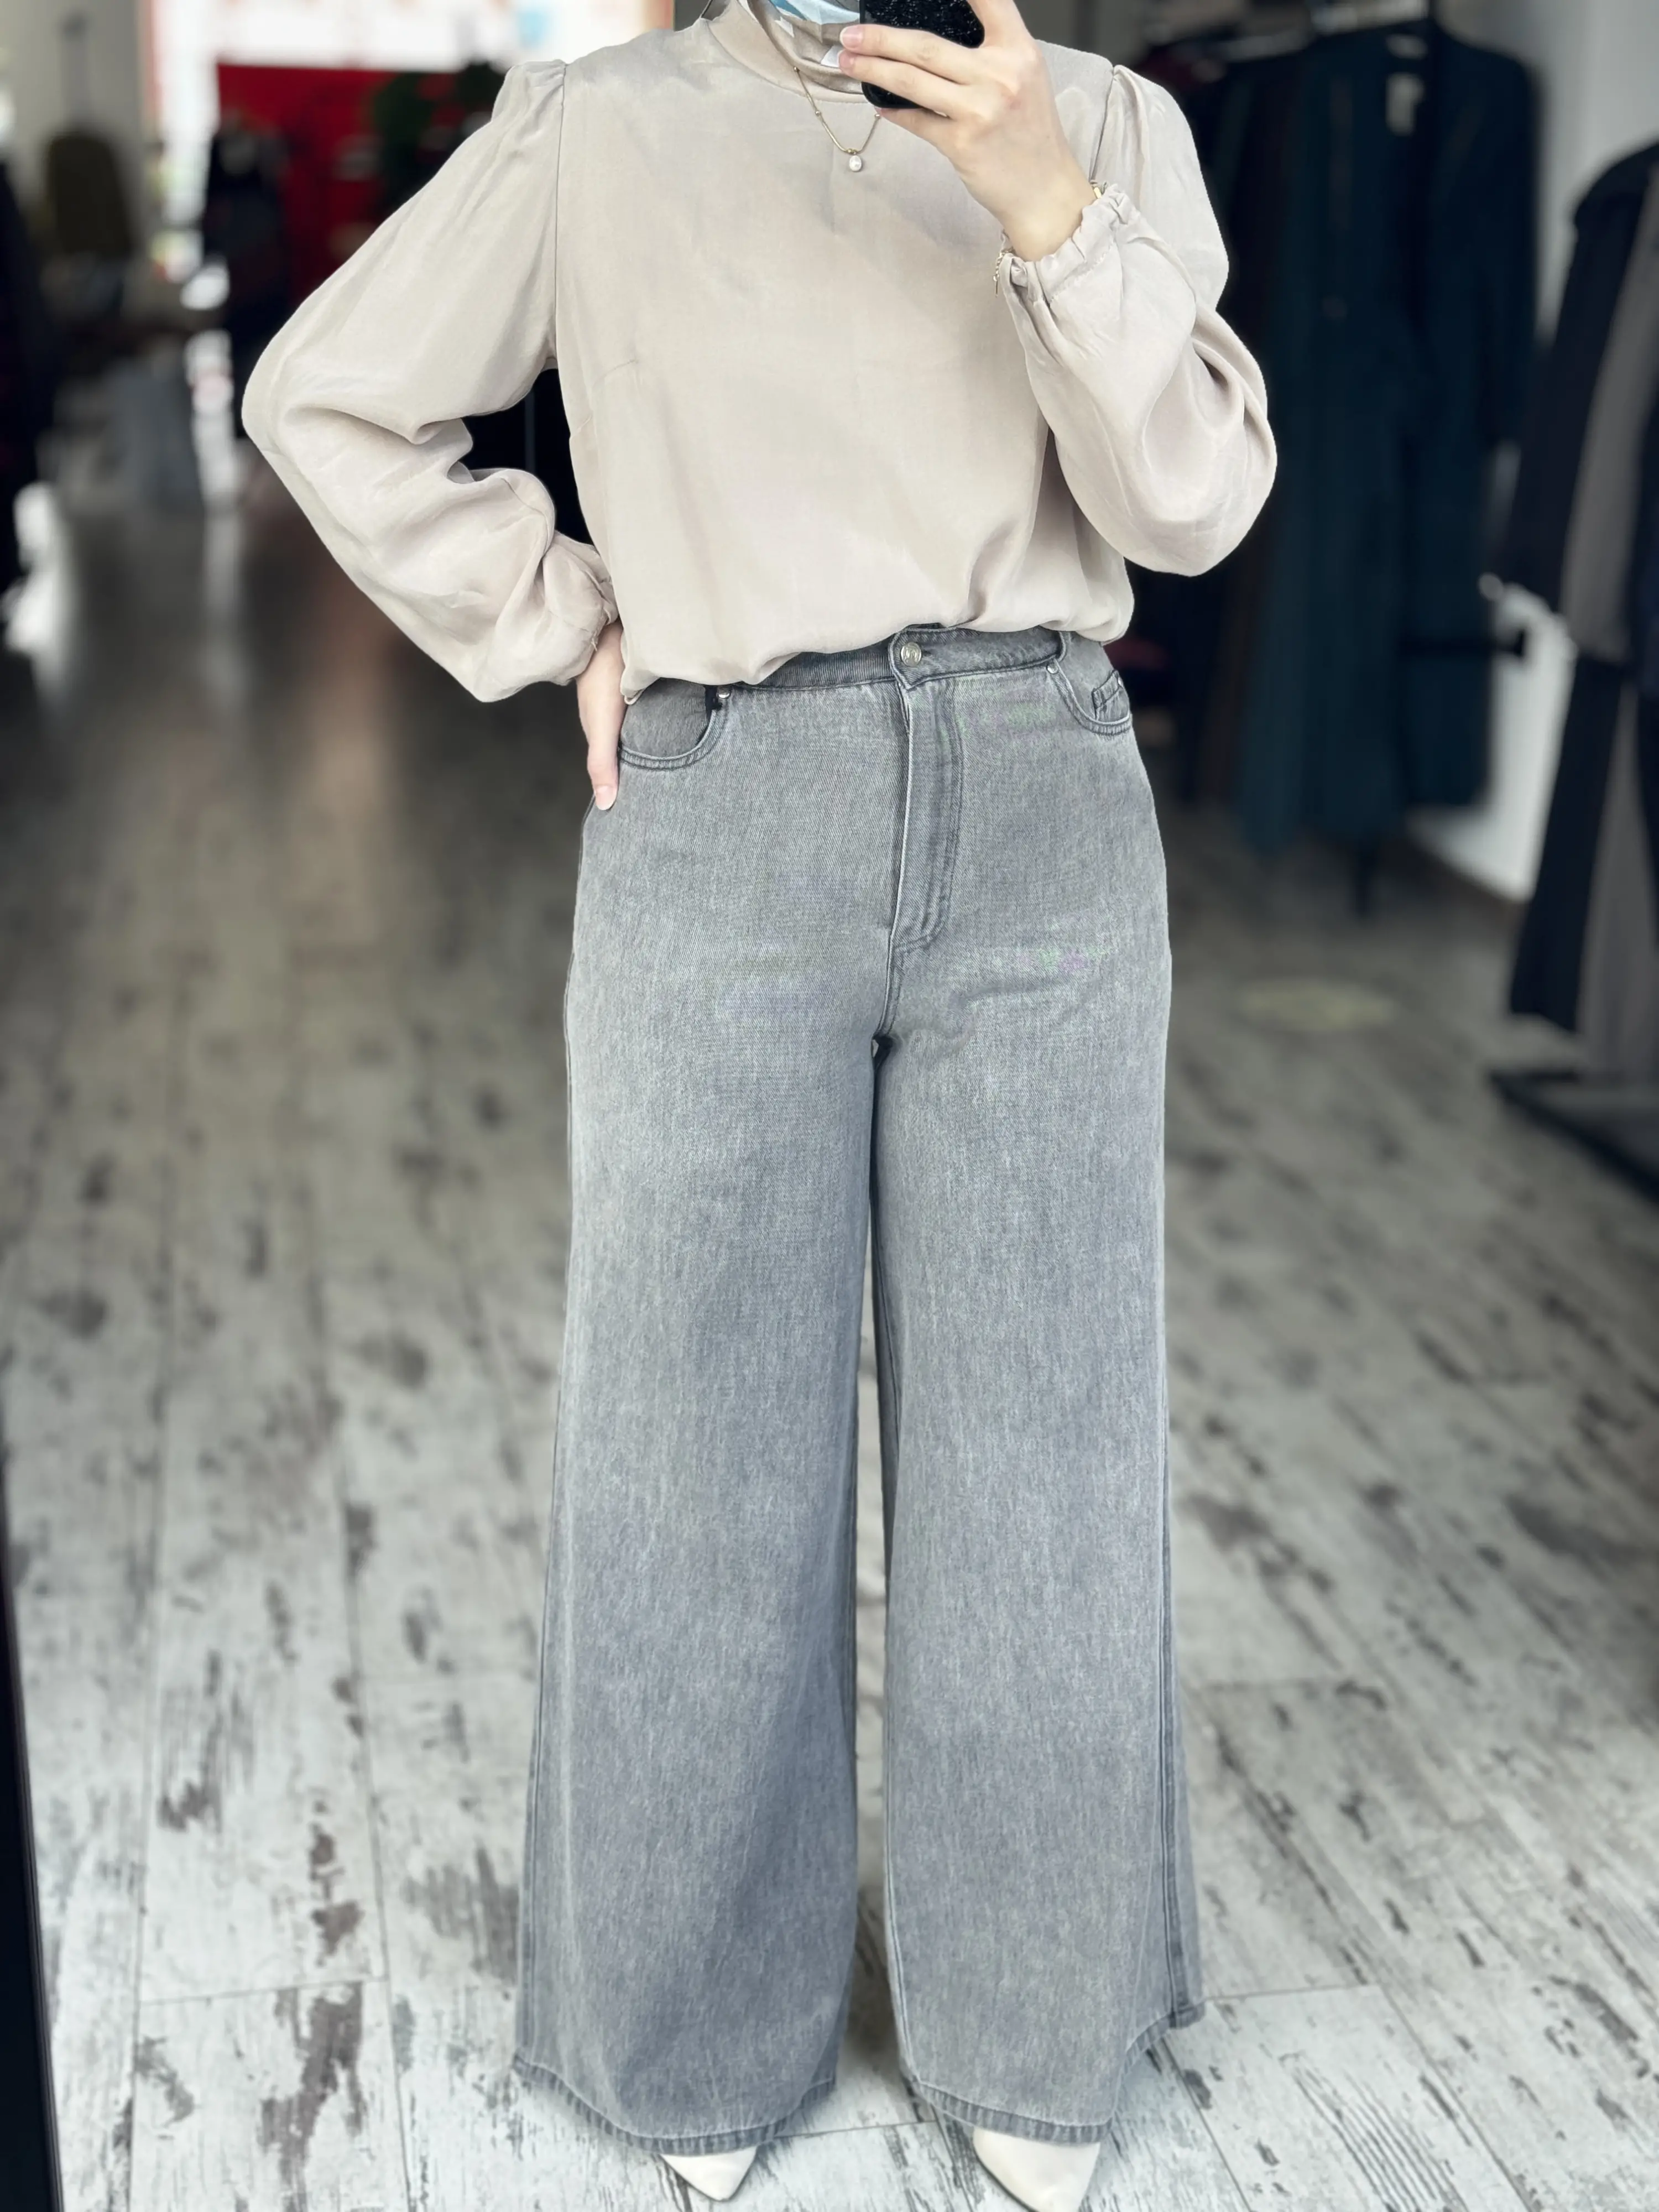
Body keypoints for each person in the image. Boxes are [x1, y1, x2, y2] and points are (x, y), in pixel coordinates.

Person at [241, 0, 1274, 2203]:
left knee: (1048, 1443)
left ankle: (1040, 2023)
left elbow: (1190, 507)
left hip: (1044, 793)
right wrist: (561, 616)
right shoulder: (597, 130)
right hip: (726, 796)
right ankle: (694, 2031)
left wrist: (1044, 210)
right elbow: (323, 392)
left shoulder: (1108, 125)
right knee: (692, 1439)